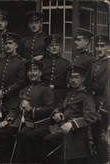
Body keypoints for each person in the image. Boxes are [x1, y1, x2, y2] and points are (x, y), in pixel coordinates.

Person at [42, 65, 97, 164]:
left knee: (48, 140)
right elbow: (60, 106)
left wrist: (72, 123)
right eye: (71, 77)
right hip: (60, 127)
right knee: (35, 135)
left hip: (75, 133)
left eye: (76, 77)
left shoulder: (86, 97)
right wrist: (57, 113)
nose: (73, 80)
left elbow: (91, 117)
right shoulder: (70, 94)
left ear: (83, 79)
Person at [0, 32, 26, 162]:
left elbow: (21, 82)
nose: (7, 46)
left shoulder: (21, 62)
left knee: (9, 133)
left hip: (13, 101)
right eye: (6, 43)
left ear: (16, 45)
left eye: (10, 43)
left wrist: (5, 92)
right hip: (0, 103)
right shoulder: (0, 61)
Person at [13, 59, 54, 163]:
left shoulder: (46, 89)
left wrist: (30, 110)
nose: (32, 73)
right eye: (30, 71)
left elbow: (49, 110)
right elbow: (17, 109)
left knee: (24, 134)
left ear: (40, 73)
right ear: (27, 73)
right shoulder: (24, 90)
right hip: (24, 122)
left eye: (35, 70)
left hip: (40, 124)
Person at [88, 35, 110, 163]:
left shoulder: (109, 64)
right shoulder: (95, 64)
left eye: (103, 46)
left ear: (108, 48)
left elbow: (109, 91)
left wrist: (103, 110)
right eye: (97, 46)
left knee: (102, 140)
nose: (99, 49)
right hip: (93, 105)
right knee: (94, 138)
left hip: (104, 108)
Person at [41, 34, 70, 105]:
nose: (54, 47)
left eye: (56, 45)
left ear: (60, 48)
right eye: (51, 45)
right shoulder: (41, 63)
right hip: (44, 94)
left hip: (60, 96)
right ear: (47, 48)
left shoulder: (66, 64)